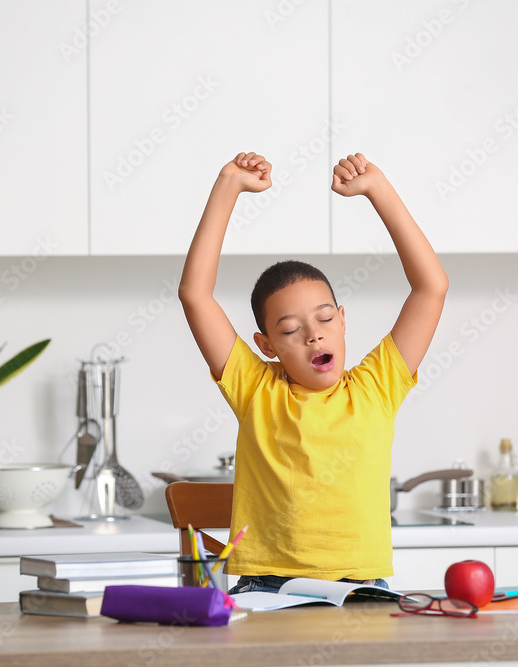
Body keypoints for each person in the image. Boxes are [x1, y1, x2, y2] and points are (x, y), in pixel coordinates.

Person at [178, 151, 448, 594]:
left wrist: (378, 189)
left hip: (363, 586)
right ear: (265, 345)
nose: (314, 336)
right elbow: (195, 294)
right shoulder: (255, 387)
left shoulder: (377, 385)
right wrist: (228, 184)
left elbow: (431, 287)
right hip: (266, 587)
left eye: (325, 319)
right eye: (289, 329)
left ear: (342, 320)